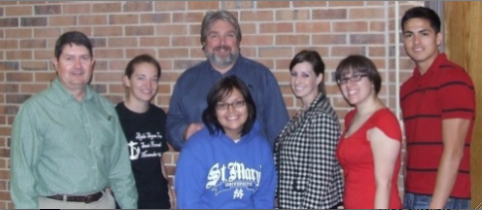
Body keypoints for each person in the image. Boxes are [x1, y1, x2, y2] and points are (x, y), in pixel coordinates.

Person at [10, 31, 137, 209]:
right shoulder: (35, 111)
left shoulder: (106, 110)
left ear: (92, 63)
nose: (78, 66)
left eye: (84, 58)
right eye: (69, 58)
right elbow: (22, 177)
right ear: (56, 63)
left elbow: (120, 169)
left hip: (103, 204)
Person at [166, 10, 289, 151]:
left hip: (252, 168)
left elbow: (280, 133)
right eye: (214, 36)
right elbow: (171, 123)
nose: (222, 43)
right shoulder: (187, 81)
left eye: (229, 35)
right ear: (204, 41)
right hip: (203, 169)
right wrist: (184, 131)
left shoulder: (262, 77)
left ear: (238, 40)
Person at [400, 6, 475, 209]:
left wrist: (436, 205)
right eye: (409, 35)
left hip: (444, 199)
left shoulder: (454, 79)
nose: (416, 42)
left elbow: (454, 151)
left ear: (438, 38)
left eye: (424, 34)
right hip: (412, 197)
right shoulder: (407, 89)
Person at [174, 75, 277, 209]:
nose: (231, 110)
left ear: (248, 106)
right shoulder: (195, 148)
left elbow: (264, 199)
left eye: (238, 103)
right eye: (222, 105)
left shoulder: (262, 147)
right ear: (214, 111)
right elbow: (188, 202)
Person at [275, 50, 343, 209]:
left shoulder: (321, 117)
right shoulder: (304, 113)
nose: (297, 80)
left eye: (305, 75)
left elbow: (320, 179)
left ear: (319, 78)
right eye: (294, 74)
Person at [335, 55, 402, 209]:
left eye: (356, 77)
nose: (349, 84)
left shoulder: (384, 122)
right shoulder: (351, 117)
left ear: (372, 80)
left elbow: (384, 184)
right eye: (344, 79)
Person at [115, 54, 175, 209]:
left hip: (158, 201)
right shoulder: (114, 117)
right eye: (141, 78)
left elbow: (158, 159)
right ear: (127, 80)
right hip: (127, 202)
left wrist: (168, 188)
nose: (148, 84)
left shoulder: (158, 116)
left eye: (154, 78)